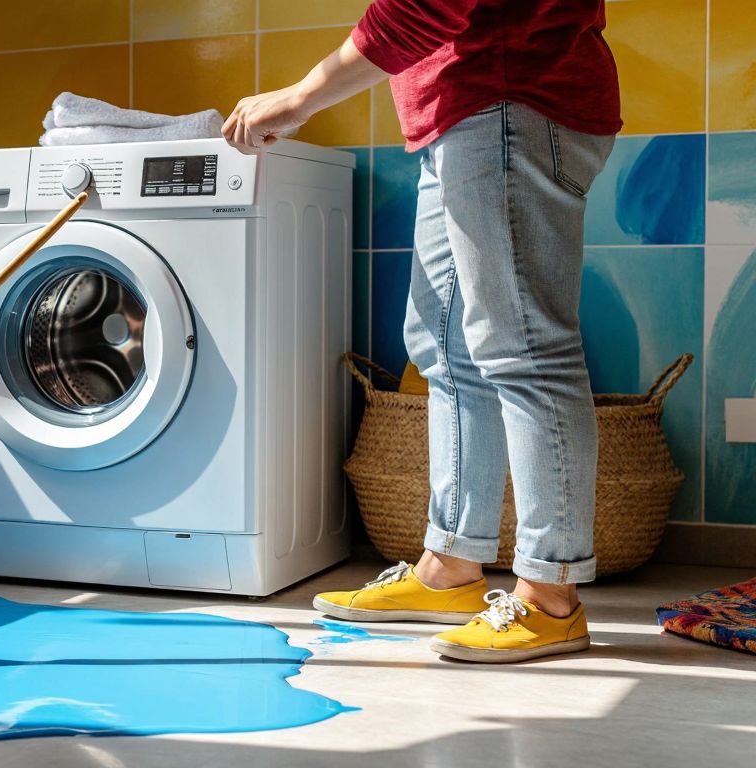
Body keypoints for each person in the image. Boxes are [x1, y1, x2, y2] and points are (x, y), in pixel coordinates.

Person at [224, 0, 620, 663]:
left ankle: (551, 596)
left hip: (507, 98)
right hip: (464, 113)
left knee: (524, 347)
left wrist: (299, 98)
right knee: (445, 345)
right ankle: (451, 568)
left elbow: (422, 8)